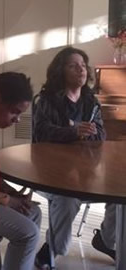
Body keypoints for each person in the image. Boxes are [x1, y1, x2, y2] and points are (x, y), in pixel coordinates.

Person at [32, 47, 115, 267]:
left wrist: (74, 128)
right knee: (67, 198)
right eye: (73, 65)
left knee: (120, 195)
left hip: (85, 169)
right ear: (61, 71)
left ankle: (107, 240)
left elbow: (100, 134)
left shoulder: (91, 100)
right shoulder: (47, 100)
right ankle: (52, 249)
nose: (81, 69)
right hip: (51, 170)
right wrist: (73, 131)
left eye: (83, 65)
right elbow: (42, 134)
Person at [0, 72, 41, 270]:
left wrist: (10, 192)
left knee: (34, 212)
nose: (18, 120)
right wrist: (7, 199)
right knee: (28, 234)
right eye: (14, 112)